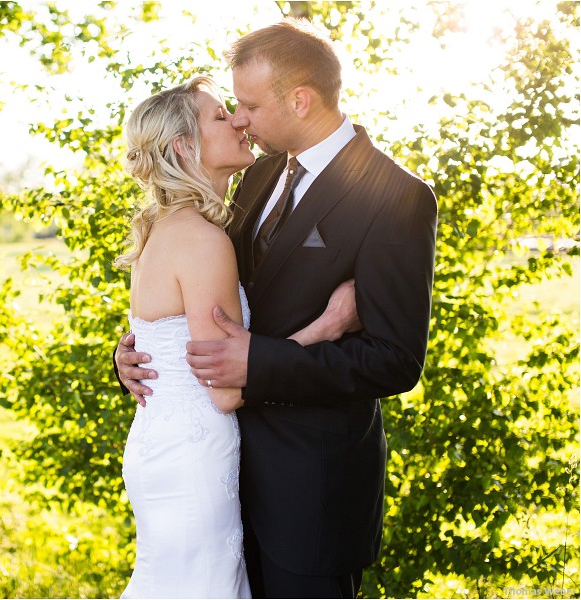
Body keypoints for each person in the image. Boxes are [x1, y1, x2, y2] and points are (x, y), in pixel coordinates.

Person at [115, 19, 438, 599]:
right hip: (220, 479)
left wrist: (263, 364)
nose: (239, 119)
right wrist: (136, 357)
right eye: (230, 109)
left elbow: (394, 360)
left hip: (308, 497)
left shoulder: (395, 196)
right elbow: (204, 307)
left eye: (248, 105)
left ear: (300, 99)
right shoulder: (257, 174)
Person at [115, 75, 362, 599]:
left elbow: (165, 340)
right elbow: (226, 389)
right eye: (220, 115)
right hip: (193, 456)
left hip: (166, 446)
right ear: (185, 145)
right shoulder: (203, 241)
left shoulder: (170, 226)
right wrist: (329, 325)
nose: (238, 121)